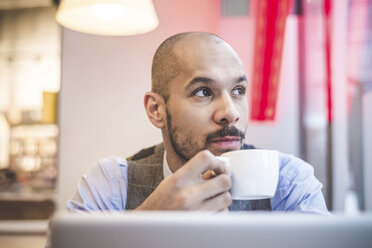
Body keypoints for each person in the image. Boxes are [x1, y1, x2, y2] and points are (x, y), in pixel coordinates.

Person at [67, 32, 329, 214]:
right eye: (203, 91)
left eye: (238, 90)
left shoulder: (289, 181)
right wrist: (147, 222)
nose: (230, 113)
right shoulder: (111, 183)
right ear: (156, 109)